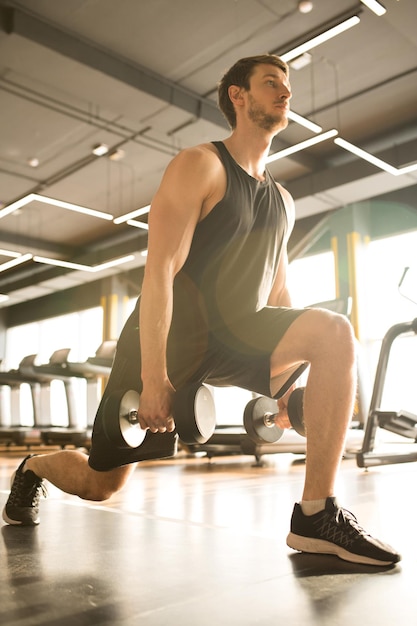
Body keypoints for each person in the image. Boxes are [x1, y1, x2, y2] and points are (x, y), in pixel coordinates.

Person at [2, 54, 400, 567]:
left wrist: (288, 385)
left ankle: (315, 515)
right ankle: (35, 467)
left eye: (288, 86)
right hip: (172, 340)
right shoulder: (200, 165)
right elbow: (159, 272)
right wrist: (153, 376)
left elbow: (278, 294)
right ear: (238, 96)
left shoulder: (282, 198)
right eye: (271, 84)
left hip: (239, 333)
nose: (285, 94)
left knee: (333, 332)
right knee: (101, 484)